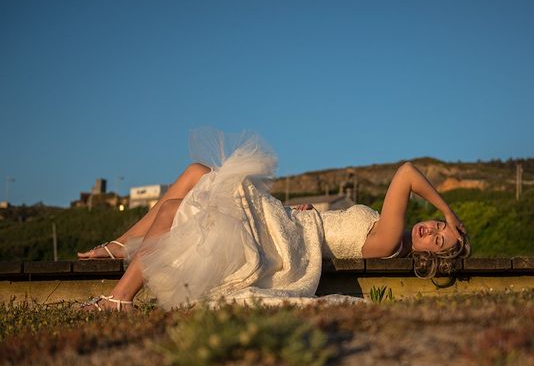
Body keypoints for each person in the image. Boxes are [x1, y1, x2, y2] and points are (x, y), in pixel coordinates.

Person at [78, 129, 470, 311]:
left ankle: (119, 299)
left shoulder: (389, 241)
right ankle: (118, 247)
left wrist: (449, 210)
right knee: (198, 170)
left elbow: (405, 172)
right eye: (438, 226)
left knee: (172, 209)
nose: (432, 229)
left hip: (289, 242)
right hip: (291, 224)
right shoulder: (390, 230)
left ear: (425, 259)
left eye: (437, 239)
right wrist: (316, 214)